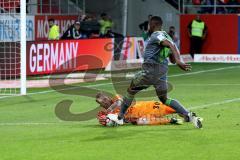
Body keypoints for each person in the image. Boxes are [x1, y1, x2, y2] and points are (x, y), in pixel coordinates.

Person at [108, 16, 203, 128]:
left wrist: (178, 61)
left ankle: (120, 118)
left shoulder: (156, 35)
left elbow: (169, 46)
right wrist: (175, 59)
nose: (148, 27)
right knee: (164, 99)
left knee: (130, 90)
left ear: (152, 25)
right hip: (161, 74)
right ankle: (189, 115)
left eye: (149, 25)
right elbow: (171, 55)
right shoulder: (168, 36)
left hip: (150, 71)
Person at [96, 93, 183, 126]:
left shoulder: (116, 98)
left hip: (146, 107)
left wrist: (110, 110)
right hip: (139, 117)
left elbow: (119, 102)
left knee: (177, 110)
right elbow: (120, 121)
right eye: (101, 103)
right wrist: (107, 121)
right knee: (139, 122)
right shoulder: (108, 113)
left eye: (104, 100)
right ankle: (171, 121)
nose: (104, 104)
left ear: (108, 98)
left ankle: (187, 114)